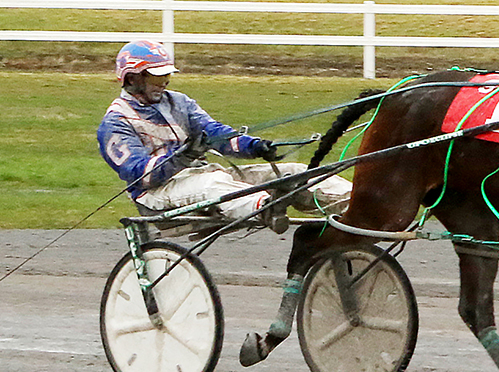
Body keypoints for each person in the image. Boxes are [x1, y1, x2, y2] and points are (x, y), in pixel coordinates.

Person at [97, 39, 350, 233]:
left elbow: (217, 133)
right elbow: (142, 175)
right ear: (132, 78)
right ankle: (265, 207)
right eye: (157, 76)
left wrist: (255, 146)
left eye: (167, 75)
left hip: (205, 175)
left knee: (295, 172)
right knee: (214, 183)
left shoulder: (179, 102)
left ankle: (360, 204)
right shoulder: (116, 122)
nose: (165, 81)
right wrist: (185, 154)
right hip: (157, 195)